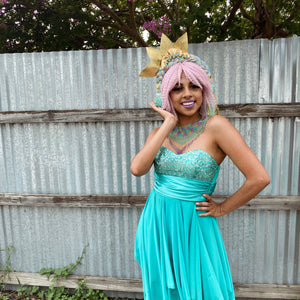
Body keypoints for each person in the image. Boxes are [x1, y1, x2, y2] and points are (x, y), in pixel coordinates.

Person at [130, 33, 270, 300]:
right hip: (158, 225)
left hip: (195, 225)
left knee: (203, 290)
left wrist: (222, 208)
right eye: (177, 88)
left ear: (203, 89)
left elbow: (259, 177)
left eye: (193, 86)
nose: (187, 94)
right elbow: (138, 169)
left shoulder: (216, 126)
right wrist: (167, 125)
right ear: (166, 93)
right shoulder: (158, 134)